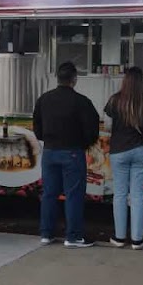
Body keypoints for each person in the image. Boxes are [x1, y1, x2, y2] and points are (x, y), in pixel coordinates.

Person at [33, 61, 100, 248]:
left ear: (58, 78)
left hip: (49, 152)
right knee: (73, 195)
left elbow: (37, 127)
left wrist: (46, 139)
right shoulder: (82, 102)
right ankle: (73, 236)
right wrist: (84, 144)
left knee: (49, 194)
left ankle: (46, 234)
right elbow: (92, 128)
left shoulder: (44, 99)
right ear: (74, 79)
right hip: (72, 152)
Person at [104, 66, 143, 250]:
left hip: (119, 151)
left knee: (120, 194)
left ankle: (119, 238)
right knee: (137, 194)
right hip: (141, 151)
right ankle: (137, 240)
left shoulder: (114, 100)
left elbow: (107, 125)